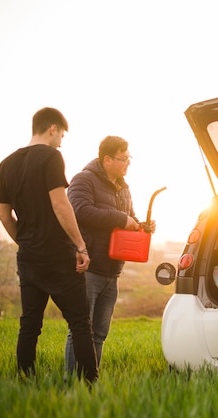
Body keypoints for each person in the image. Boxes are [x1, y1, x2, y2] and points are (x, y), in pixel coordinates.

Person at [0, 107, 98, 383]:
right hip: (58, 256)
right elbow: (60, 203)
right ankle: (90, 385)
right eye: (62, 134)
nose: (62, 141)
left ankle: (25, 381)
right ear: (52, 128)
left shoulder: (6, 164)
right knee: (79, 324)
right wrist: (81, 245)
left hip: (28, 258)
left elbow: (4, 216)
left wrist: (26, 242)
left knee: (29, 325)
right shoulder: (52, 157)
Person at [64, 136, 155, 375]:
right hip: (89, 267)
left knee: (100, 332)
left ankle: (89, 381)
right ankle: (71, 381)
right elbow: (79, 211)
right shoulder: (83, 180)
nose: (128, 163)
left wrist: (141, 225)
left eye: (129, 158)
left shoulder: (124, 188)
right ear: (107, 159)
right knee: (80, 329)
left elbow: (130, 219)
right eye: (124, 158)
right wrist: (120, 218)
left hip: (113, 270)